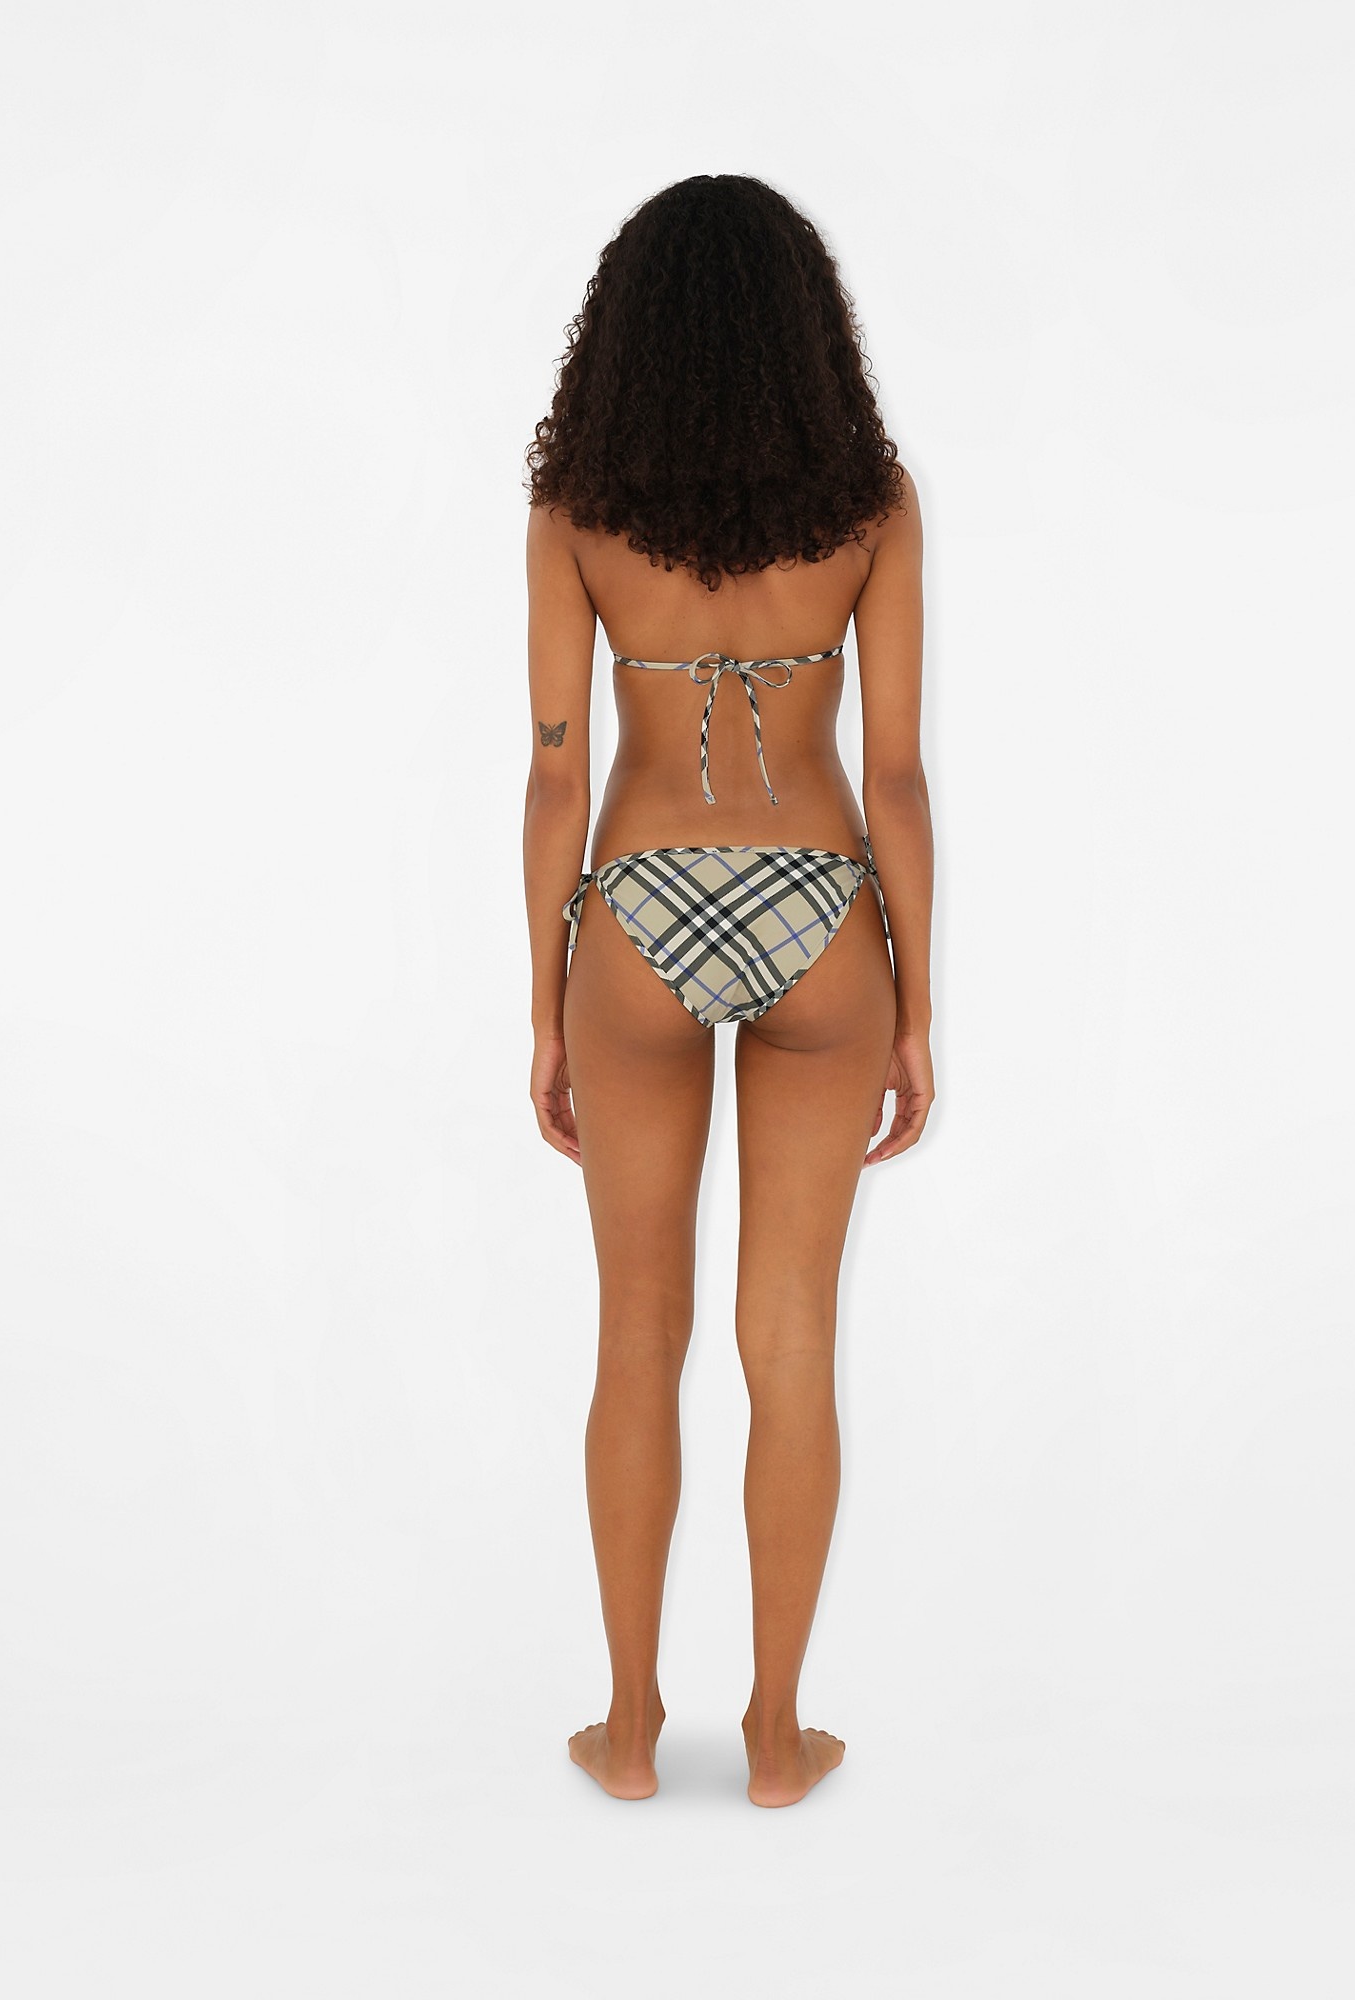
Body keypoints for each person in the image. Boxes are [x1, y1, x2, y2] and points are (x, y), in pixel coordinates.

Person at [522, 175, 935, 1808]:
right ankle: (773, 1735)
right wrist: (918, 1006)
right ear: (808, 335)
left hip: (633, 909)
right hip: (823, 910)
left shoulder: (576, 514)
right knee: (793, 1335)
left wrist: (543, 1003)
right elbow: (893, 776)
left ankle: (629, 1730)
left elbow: (557, 780)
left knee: (638, 1331)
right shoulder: (872, 507)